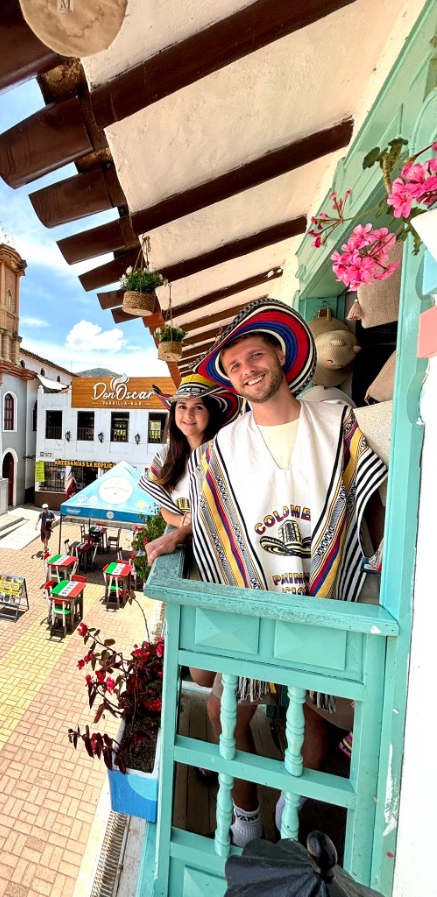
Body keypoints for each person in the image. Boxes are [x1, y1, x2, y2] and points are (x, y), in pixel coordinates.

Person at [146, 298, 387, 846]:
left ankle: (292, 806)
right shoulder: (223, 449)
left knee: (323, 713)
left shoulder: (337, 421)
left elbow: (372, 494)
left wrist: (382, 558)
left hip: (330, 599)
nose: (246, 370)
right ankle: (248, 814)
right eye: (234, 367)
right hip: (254, 598)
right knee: (225, 705)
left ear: (279, 356)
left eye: (255, 356)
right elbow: (207, 516)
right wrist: (176, 536)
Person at [139, 374, 241, 529]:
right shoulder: (166, 457)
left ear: (211, 413)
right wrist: (181, 521)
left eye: (198, 407)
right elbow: (163, 503)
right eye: (182, 406)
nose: (188, 415)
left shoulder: (226, 454)